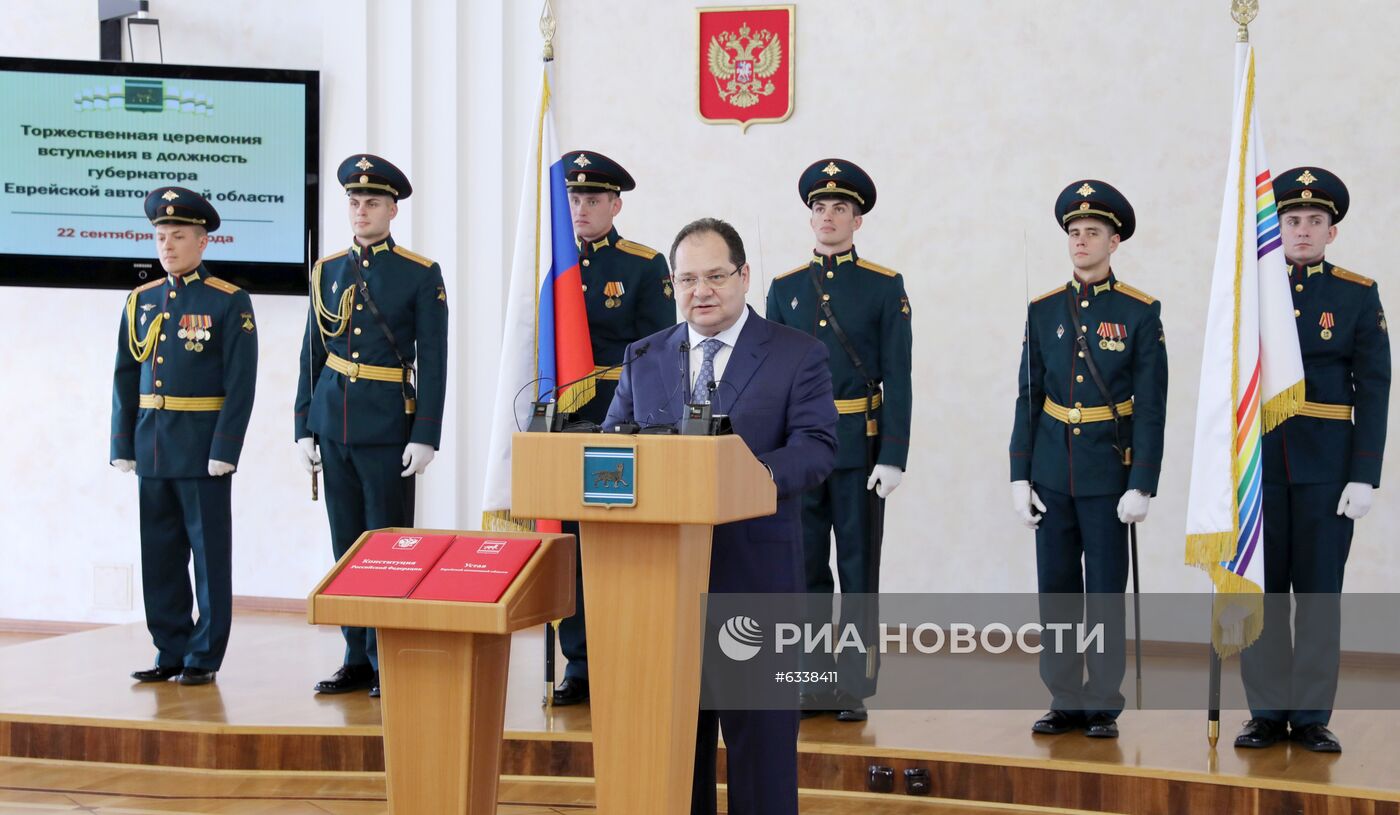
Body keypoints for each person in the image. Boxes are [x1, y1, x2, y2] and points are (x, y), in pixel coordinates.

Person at [604, 218, 837, 815]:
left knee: (761, 752)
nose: (701, 291)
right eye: (687, 279)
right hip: (659, 586)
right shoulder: (644, 356)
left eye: (715, 276)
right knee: (676, 749)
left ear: (744, 275)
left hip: (754, 581)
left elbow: (816, 447)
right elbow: (611, 449)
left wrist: (741, 478)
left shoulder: (796, 354)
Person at [1236, 167, 1390, 753]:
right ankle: (1265, 713)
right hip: (1261, 465)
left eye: (1314, 221)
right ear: (1277, 228)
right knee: (1262, 594)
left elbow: (1374, 387)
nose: (1302, 230)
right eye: (1292, 220)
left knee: (1320, 597)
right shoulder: (1249, 292)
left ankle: (1311, 717)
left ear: (1332, 231)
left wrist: (1364, 474)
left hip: (1327, 470)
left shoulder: (1356, 294)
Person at [1008, 180, 1167, 739]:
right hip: (1052, 469)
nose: (1080, 240)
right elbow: (1028, 396)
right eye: (1074, 232)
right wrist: (1020, 474)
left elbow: (1151, 405)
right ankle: (1063, 697)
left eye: (1092, 232)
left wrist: (1142, 482)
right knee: (1055, 590)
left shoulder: (1139, 312)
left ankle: (1102, 700)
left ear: (1113, 241)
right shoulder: (1043, 310)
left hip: (1107, 473)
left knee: (1102, 592)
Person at [294, 154, 449, 698]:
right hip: (332, 422)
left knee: (387, 544)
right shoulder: (327, 270)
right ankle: (355, 654)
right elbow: (312, 353)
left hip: (387, 426)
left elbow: (434, 358)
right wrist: (303, 425)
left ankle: (389, 657)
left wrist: (425, 432)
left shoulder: (419, 273)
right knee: (346, 547)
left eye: (373, 203)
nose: (361, 211)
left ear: (392, 210)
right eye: (355, 202)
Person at [765, 158, 912, 721]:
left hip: (859, 449)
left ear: (857, 220)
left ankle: (852, 686)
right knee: (802, 572)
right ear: (810, 218)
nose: (828, 216)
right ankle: (811, 681)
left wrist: (893, 455)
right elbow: (772, 380)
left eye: (840, 208)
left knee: (856, 571)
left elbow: (898, 376)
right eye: (820, 208)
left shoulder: (882, 286)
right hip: (800, 453)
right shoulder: (785, 289)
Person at [110, 187, 258, 687]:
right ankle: (169, 648)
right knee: (160, 554)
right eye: (160, 237)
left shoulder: (228, 300)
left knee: (209, 556)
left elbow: (240, 384)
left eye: (177, 236)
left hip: (201, 449)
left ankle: (204, 655)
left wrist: (226, 448)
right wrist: (122, 444)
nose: (167, 246)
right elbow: (124, 375)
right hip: (151, 445)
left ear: (202, 242)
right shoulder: (142, 300)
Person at [552, 150, 675, 707]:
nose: (581, 208)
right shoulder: (554, 265)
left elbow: (659, 355)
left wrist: (645, 425)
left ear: (615, 205)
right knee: (571, 545)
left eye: (593, 199)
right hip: (565, 422)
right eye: (574, 198)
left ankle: (626, 653)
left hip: (618, 421)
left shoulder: (643, 266)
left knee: (620, 544)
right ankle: (578, 662)